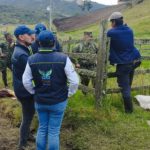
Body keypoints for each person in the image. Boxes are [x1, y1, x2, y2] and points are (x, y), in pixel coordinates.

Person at [23, 30, 79, 150]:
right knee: (53, 131)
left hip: (40, 100)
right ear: (54, 42)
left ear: (38, 43)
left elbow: (26, 81)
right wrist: (69, 93)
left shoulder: (31, 59)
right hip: (58, 101)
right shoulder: (63, 58)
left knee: (42, 128)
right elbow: (74, 81)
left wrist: (34, 92)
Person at [107, 12, 141, 113]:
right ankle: (127, 105)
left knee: (124, 87)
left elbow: (106, 43)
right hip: (134, 61)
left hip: (124, 63)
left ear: (114, 22)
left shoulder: (111, 32)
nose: (110, 24)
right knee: (127, 84)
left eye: (111, 22)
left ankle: (129, 111)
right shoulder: (129, 30)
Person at [11, 25, 36, 149]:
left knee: (28, 114)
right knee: (27, 116)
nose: (32, 36)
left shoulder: (21, 49)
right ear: (21, 37)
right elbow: (33, 72)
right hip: (25, 90)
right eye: (29, 34)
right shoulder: (22, 55)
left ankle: (27, 136)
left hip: (21, 87)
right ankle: (22, 144)